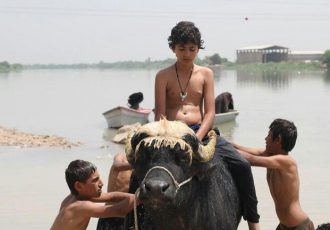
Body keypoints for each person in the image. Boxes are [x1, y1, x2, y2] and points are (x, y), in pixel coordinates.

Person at [154, 21, 260, 230]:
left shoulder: (205, 74)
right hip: (170, 133)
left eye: (192, 49)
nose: (187, 53)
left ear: (198, 49)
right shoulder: (163, 75)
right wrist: (169, 136)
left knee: (242, 166)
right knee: (139, 171)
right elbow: (159, 113)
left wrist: (197, 137)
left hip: (200, 132)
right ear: (172, 48)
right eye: (182, 48)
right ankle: (132, 221)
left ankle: (253, 223)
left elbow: (210, 112)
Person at [232, 118, 315, 230]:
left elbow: (251, 159)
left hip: (300, 226)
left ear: (278, 140)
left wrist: (223, 148)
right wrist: (222, 141)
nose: (265, 139)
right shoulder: (270, 155)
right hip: (283, 226)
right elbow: (245, 150)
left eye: (269, 135)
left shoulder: (287, 161)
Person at [51, 159, 136, 230]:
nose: (101, 183)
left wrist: (133, 196)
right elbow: (119, 211)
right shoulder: (80, 206)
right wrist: (141, 196)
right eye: (95, 180)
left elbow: (111, 196)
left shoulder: (78, 196)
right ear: (79, 186)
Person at [96, 154, 133, 230]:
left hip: (127, 216)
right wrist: (138, 165)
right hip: (110, 213)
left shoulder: (144, 164)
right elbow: (117, 166)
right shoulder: (121, 157)